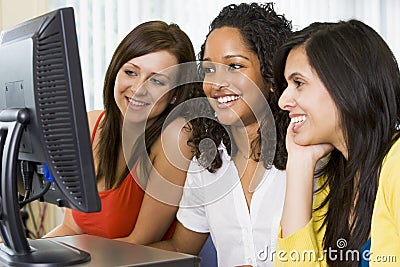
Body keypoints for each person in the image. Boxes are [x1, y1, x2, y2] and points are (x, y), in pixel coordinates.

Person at [150, 3, 292, 266]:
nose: (215, 84)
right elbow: (181, 247)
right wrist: (107, 256)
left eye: (235, 66)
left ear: (271, 77)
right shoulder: (208, 161)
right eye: (209, 69)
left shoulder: (308, 157)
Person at [44, 20, 200, 245]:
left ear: (175, 94)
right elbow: (72, 226)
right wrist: (27, 254)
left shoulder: (175, 138)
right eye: (130, 72)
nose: (138, 89)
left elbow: (140, 243)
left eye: (156, 81)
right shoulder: (89, 124)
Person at [273, 19, 400, 266]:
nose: (283, 101)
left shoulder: (396, 167)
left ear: (347, 85)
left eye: (298, 83)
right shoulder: (335, 178)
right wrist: (299, 164)